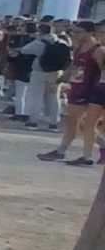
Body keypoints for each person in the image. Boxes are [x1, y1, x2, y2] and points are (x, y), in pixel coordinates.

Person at [38, 25, 102, 166]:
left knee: (76, 121)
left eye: (79, 32)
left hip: (89, 90)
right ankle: (101, 148)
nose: (76, 35)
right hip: (77, 88)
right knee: (79, 123)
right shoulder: (79, 48)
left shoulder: (97, 50)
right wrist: (60, 81)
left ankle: (64, 151)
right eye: (74, 32)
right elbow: (73, 67)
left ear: (90, 32)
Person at [24, 24, 69, 133]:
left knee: (36, 97)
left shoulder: (39, 42)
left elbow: (24, 50)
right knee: (54, 98)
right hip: (56, 72)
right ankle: (54, 123)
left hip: (39, 72)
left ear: (40, 31)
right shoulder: (62, 42)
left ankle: (33, 121)